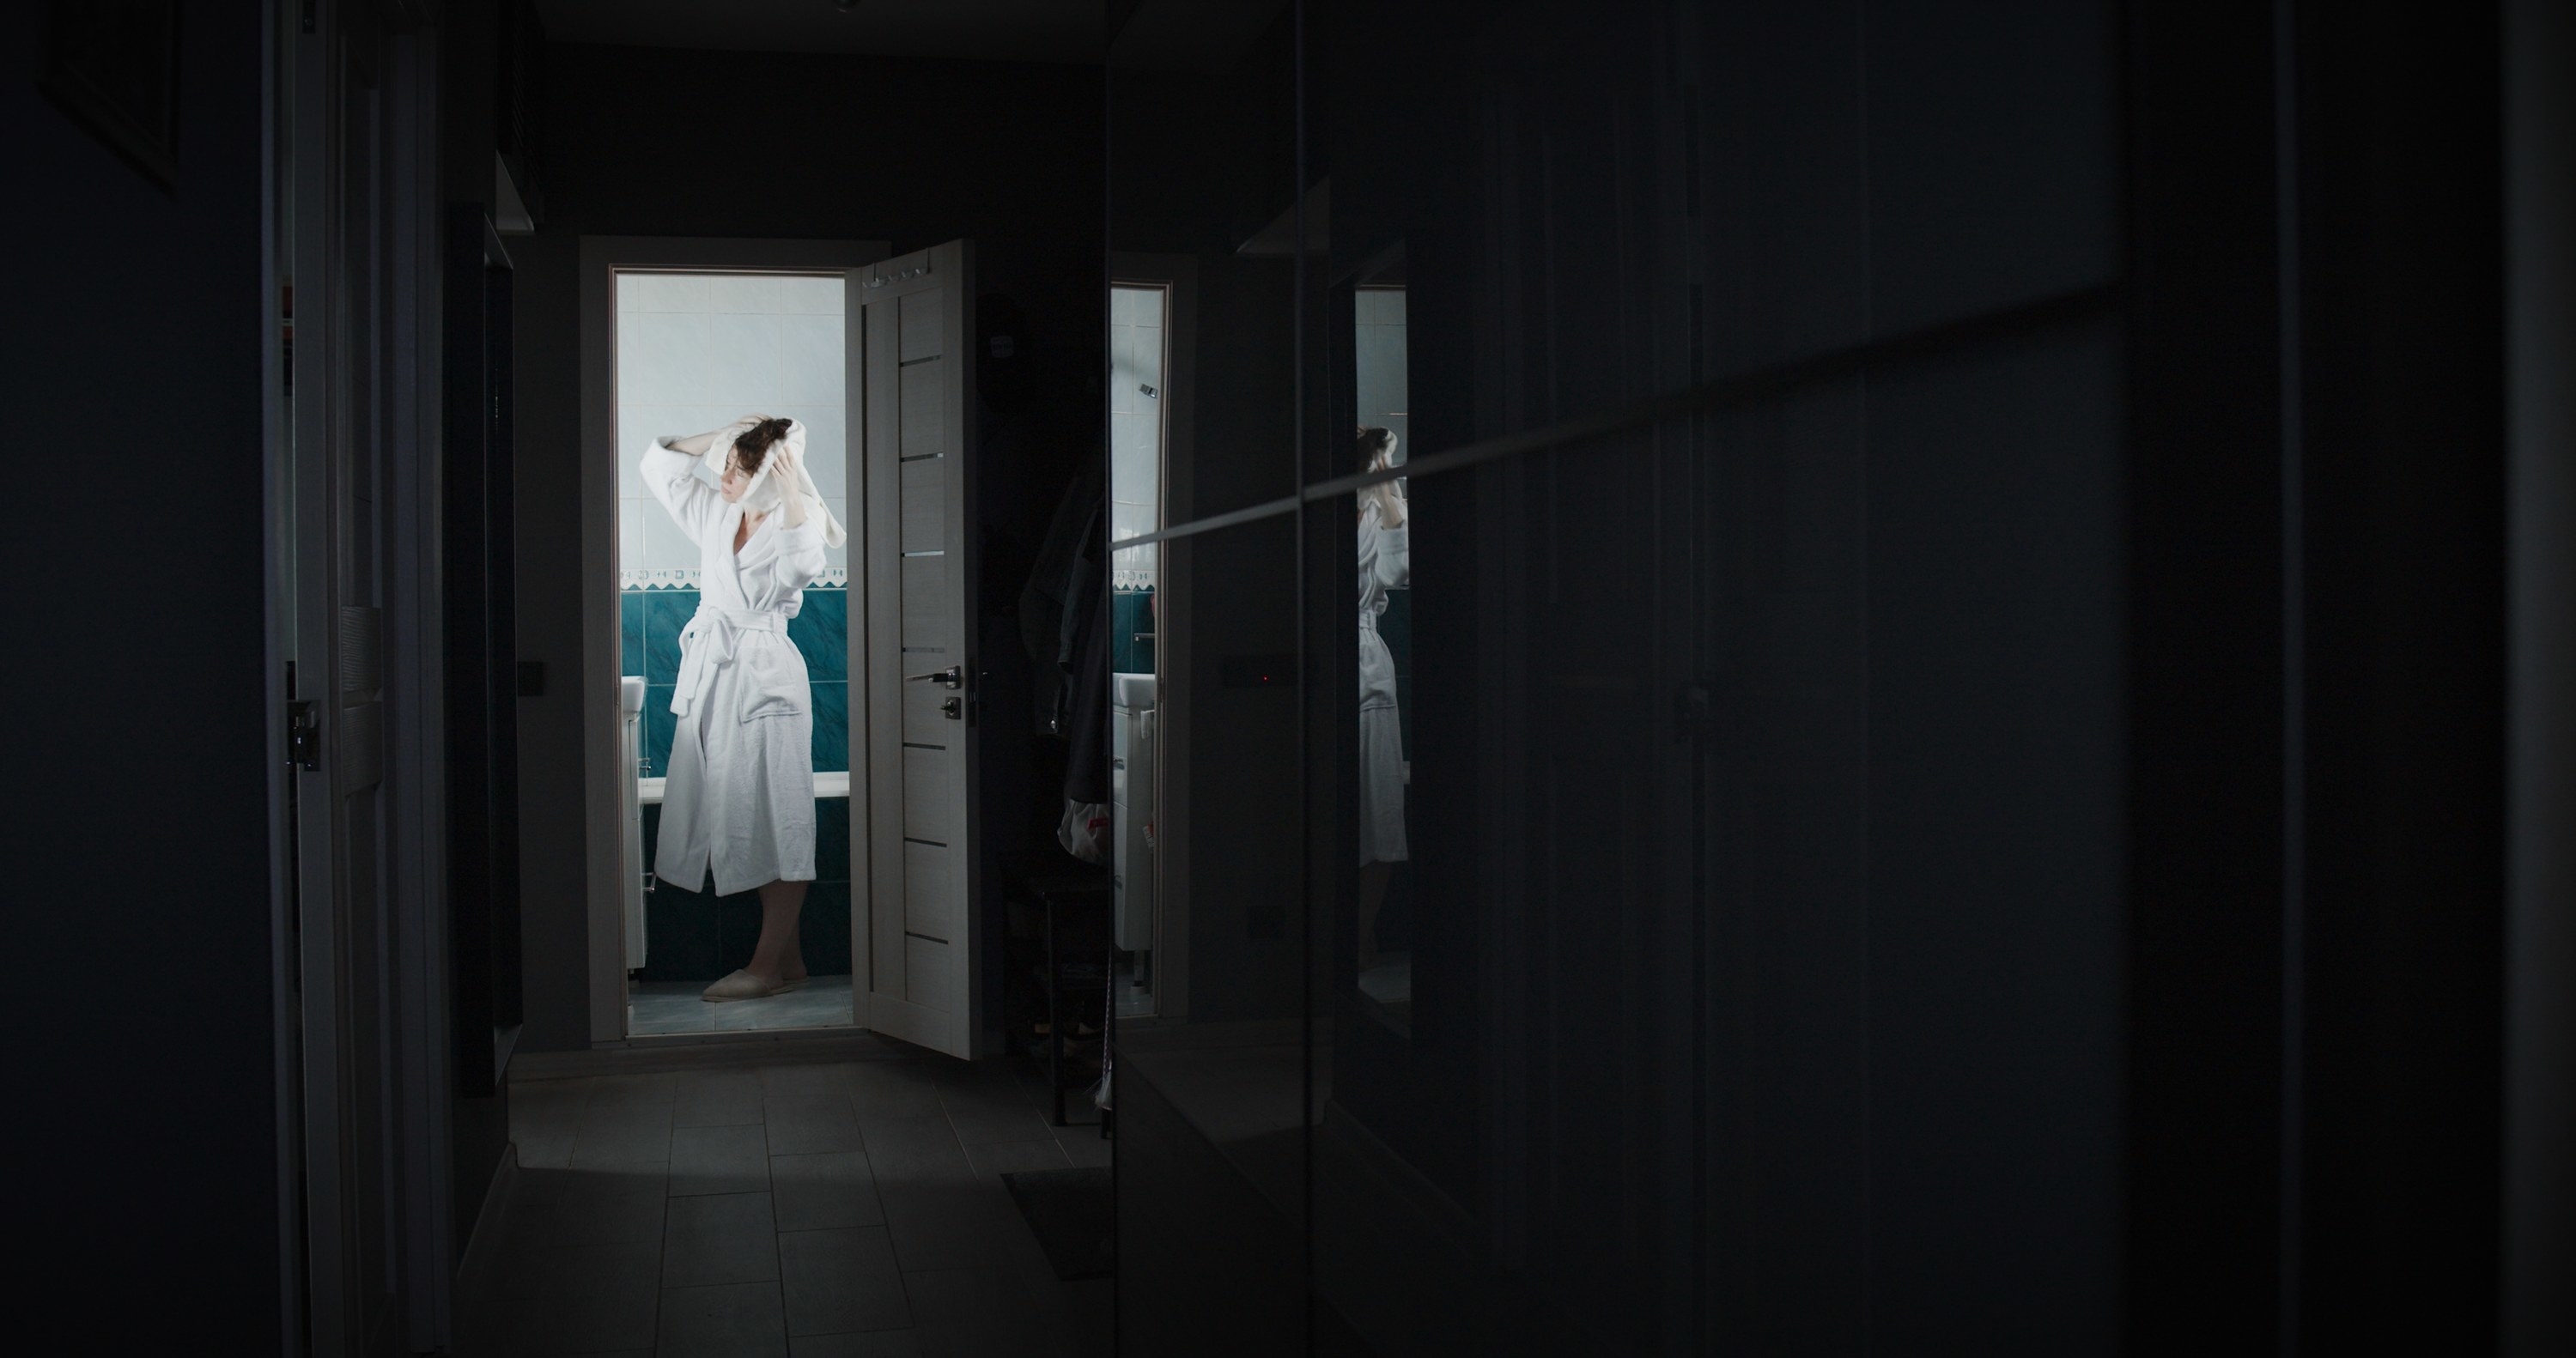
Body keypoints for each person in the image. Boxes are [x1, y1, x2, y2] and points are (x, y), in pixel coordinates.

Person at [641, 414, 841, 1001]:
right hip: (717, 674)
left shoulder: (787, 521)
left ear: (769, 478)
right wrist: (723, 436)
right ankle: (792, 958)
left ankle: (765, 967)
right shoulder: (719, 513)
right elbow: (661, 467)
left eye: (739, 469)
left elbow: (806, 565)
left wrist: (793, 481)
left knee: (779, 818)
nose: (724, 476)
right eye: (725, 466)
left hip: (765, 681)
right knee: (745, 811)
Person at [1355, 426, 1411, 973]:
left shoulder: (1381, 513)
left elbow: (1400, 570)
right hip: (1325, 664)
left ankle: (1362, 930)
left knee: (1378, 812)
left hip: (1368, 666)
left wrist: (1387, 480)